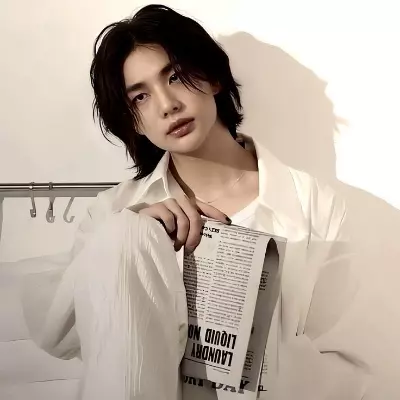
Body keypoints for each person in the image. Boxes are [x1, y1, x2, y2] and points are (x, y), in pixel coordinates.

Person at [22, 4, 369, 400]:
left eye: (175, 76)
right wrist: (127, 235)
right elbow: (59, 335)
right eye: (140, 97)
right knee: (126, 235)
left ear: (213, 77)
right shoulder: (111, 210)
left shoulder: (315, 206)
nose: (167, 104)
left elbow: (349, 364)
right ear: (133, 121)